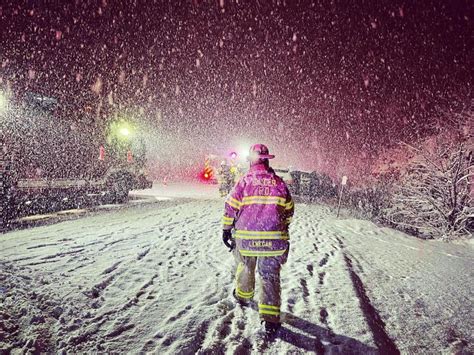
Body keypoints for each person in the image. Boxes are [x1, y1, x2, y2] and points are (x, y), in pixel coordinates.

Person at [221, 143, 294, 335]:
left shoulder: (244, 181)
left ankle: (244, 297)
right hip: (274, 240)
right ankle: (270, 320)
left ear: (251, 161)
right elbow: (288, 210)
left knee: (245, 267)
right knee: (269, 276)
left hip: (246, 240)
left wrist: (226, 229)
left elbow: (230, 207)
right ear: (267, 160)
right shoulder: (279, 183)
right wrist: (281, 226)